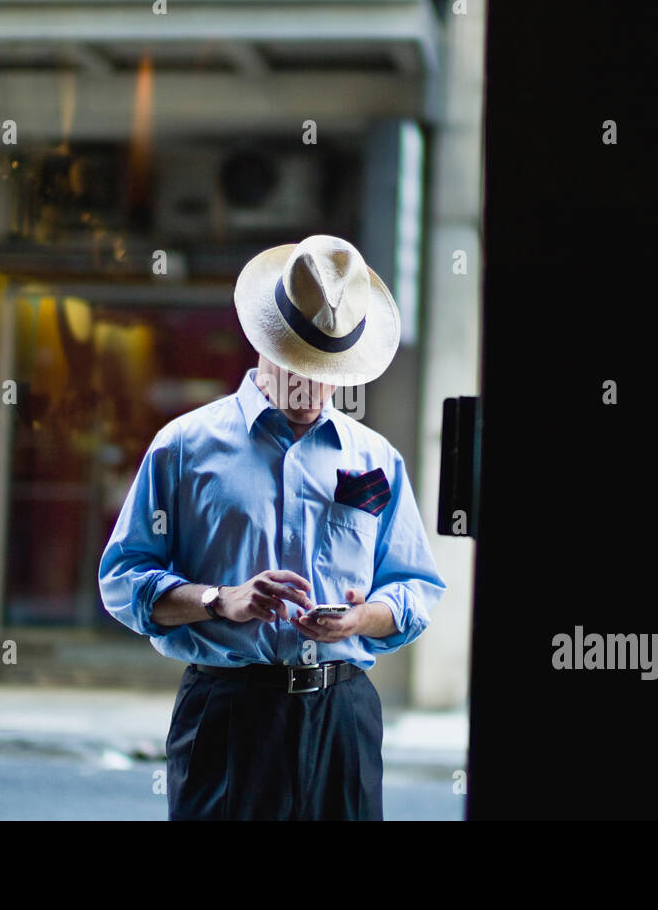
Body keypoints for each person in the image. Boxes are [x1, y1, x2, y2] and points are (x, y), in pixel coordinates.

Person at [98, 234, 446, 820]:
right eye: (301, 366)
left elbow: (416, 590)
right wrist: (218, 599)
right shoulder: (183, 448)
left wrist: (363, 618)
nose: (314, 388)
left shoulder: (377, 457)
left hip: (344, 720)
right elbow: (122, 580)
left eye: (331, 371)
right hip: (229, 716)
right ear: (266, 344)